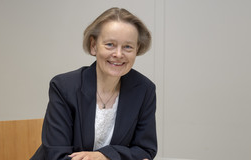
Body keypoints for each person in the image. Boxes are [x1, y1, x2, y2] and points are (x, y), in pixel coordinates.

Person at [31, 7, 157, 160]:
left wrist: (105, 156)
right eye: (110, 44)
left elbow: (145, 150)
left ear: (137, 49)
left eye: (128, 47)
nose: (118, 54)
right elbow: (56, 155)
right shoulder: (64, 87)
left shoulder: (144, 90)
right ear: (93, 45)